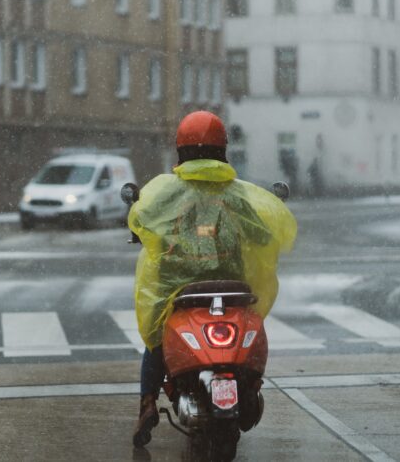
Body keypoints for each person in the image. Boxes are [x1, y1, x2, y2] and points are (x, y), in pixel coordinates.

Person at [127, 111, 297, 447]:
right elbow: (262, 236)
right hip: (232, 289)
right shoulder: (235, 196)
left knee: (156, 343)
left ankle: (148, 403)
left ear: (181, 149)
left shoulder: (166, 193)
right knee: (250, 335)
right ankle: (250, 385)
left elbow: (141, 221)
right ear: (222, 149)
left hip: (179, 291)